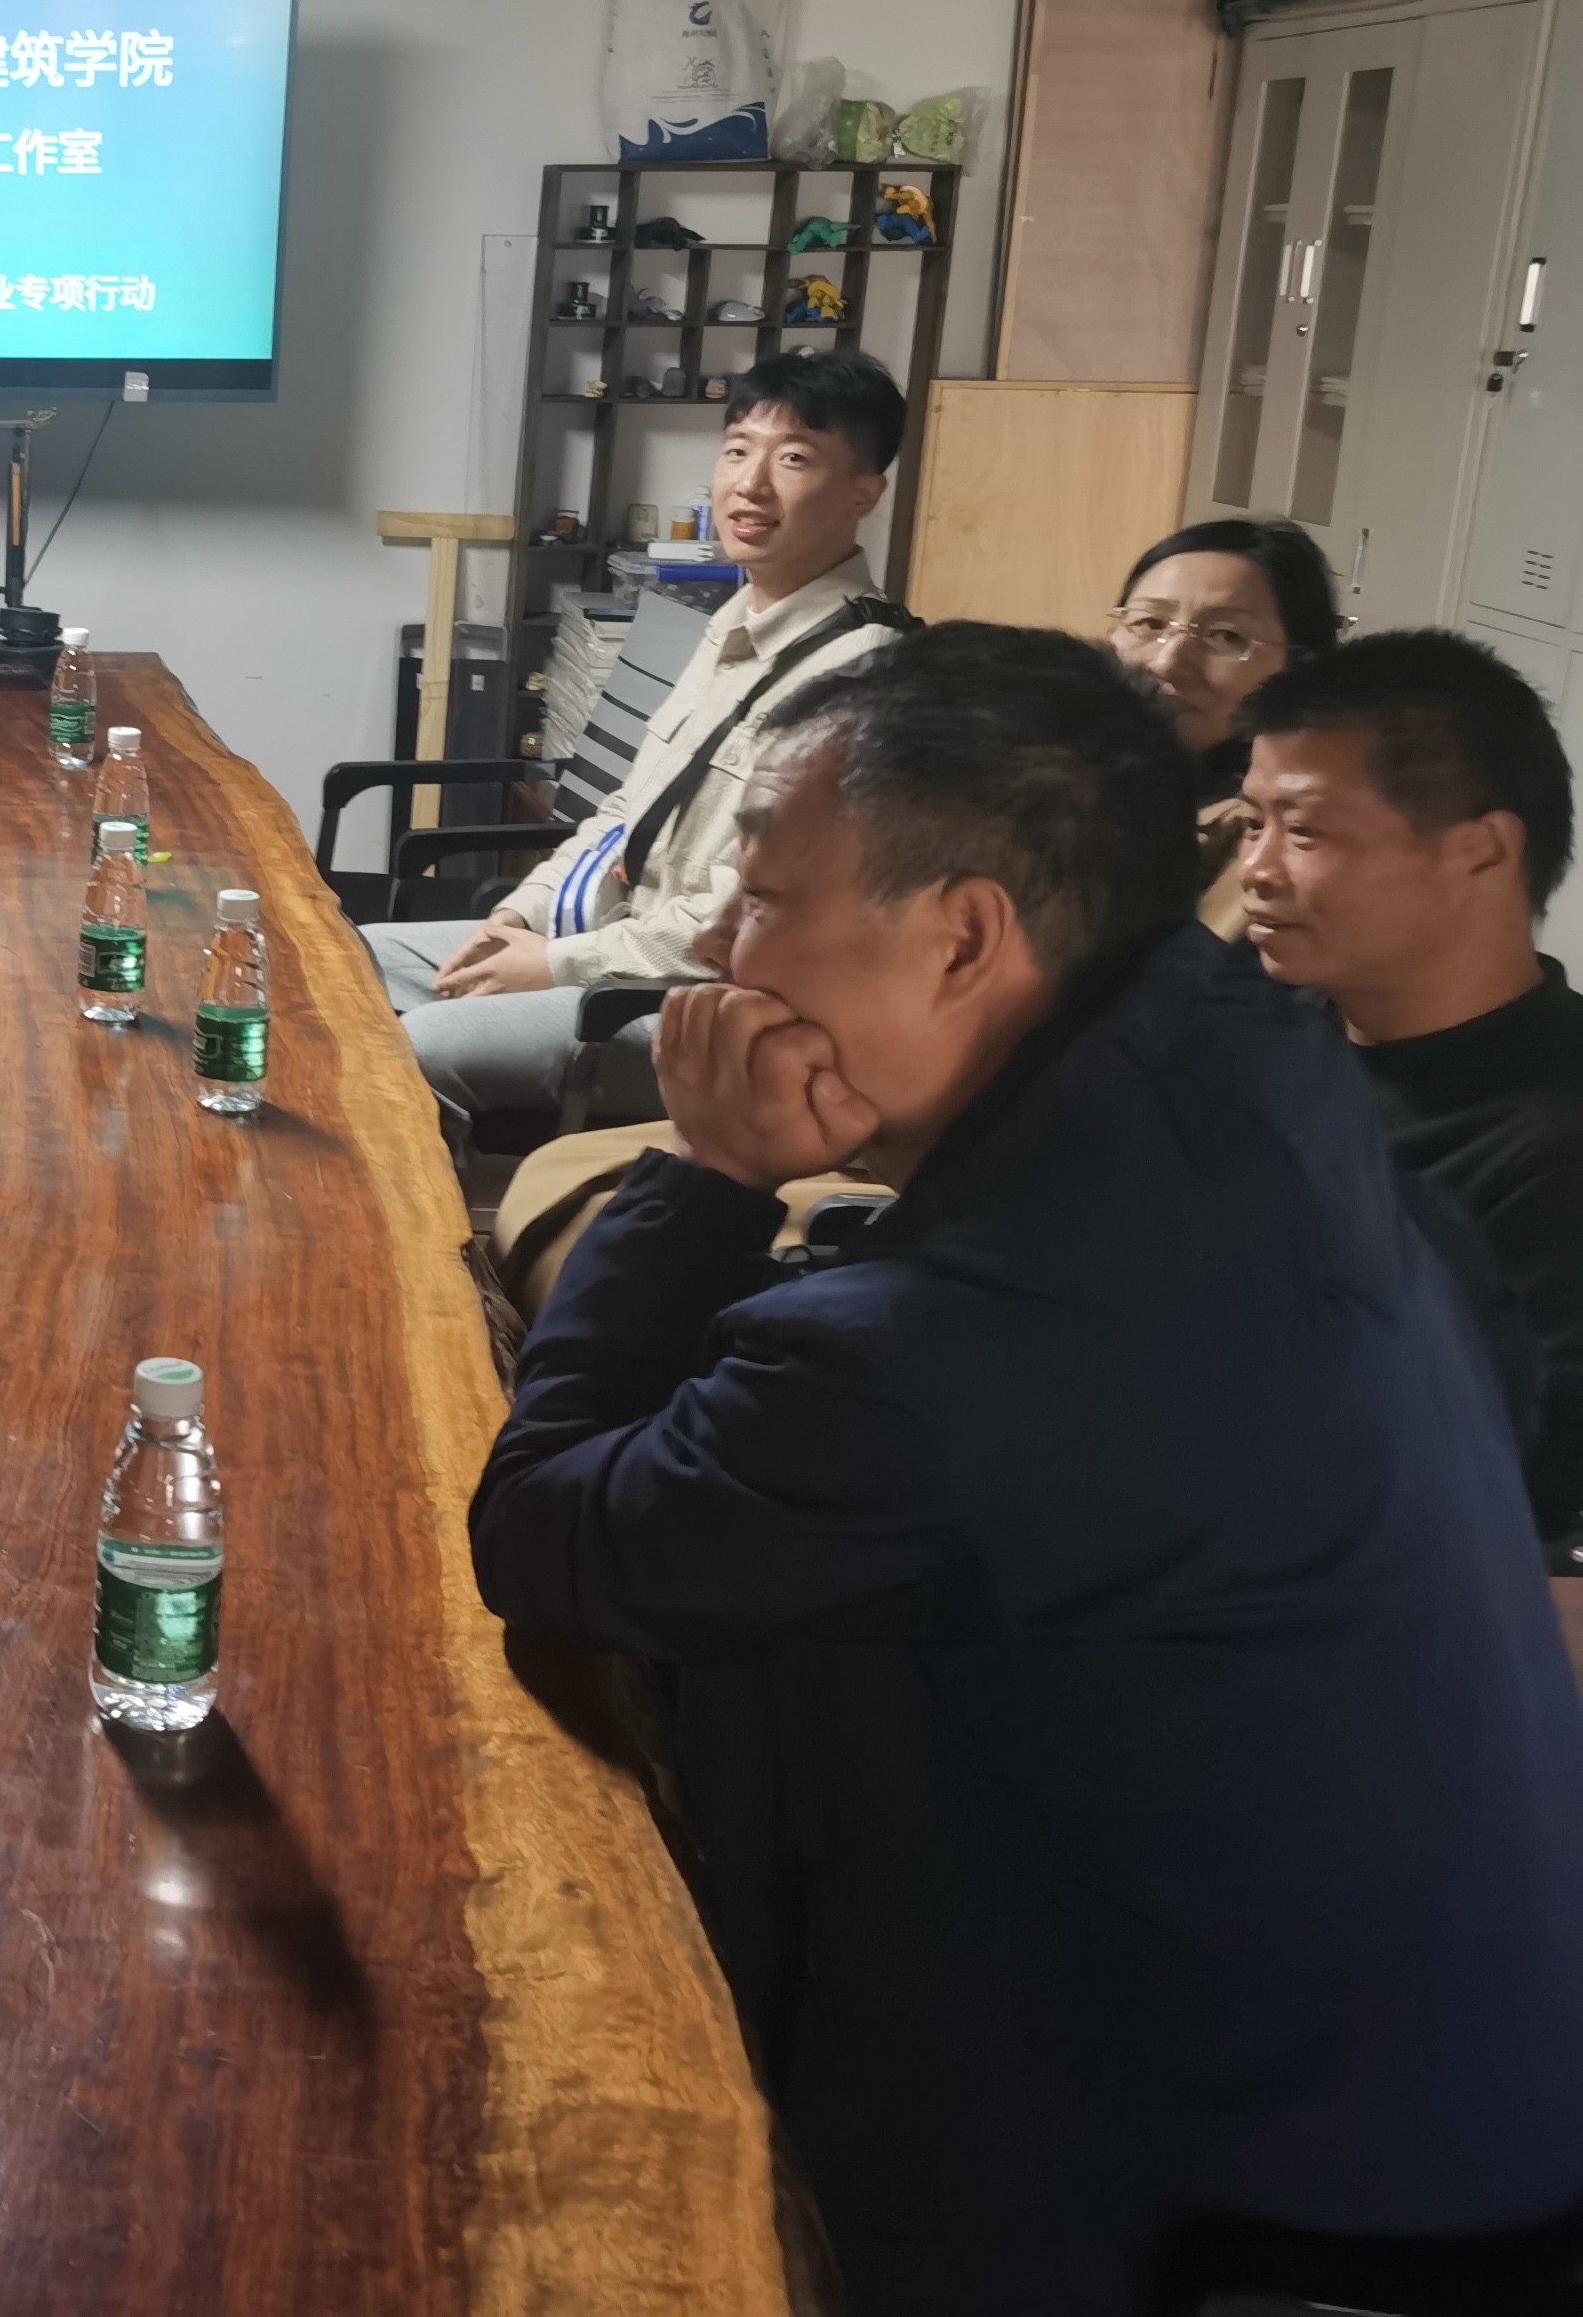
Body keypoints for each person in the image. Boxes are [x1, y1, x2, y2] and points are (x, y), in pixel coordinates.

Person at [469, 624, 1583, 2315]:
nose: (713, 946)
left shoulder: (960, 1344)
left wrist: (706, 1171)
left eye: (760, 897)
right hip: (1469, 2087)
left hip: (1261, 2208)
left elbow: (549, 1540)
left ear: (964, 936)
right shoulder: (1267, 1070)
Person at [365, 350, 910, 1129]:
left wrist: (556, 965)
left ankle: (430, 1210)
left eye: (793, 459)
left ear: (864, 492)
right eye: (737, 450)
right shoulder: (735, 621)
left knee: (420, 1048)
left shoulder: (865, 671)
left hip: (706, 1006)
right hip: (616, 944)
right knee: (340, 965)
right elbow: (626, 809)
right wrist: (519, 918)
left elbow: (755, 922)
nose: (750, 485)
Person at [1237, 629, 1583, 1604]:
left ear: (1482, 851)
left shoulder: (1553, 1147)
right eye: (1251, 823)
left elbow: (1528, 1518)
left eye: (1305, 832)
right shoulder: (1250, 1045)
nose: (1258, 869)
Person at [1105, 515, 1341, 933]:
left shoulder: (1268, 844)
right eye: (1149, 623)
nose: (1166, 662)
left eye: (1226, 636)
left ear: (1300, 667)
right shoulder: (1057, 777)